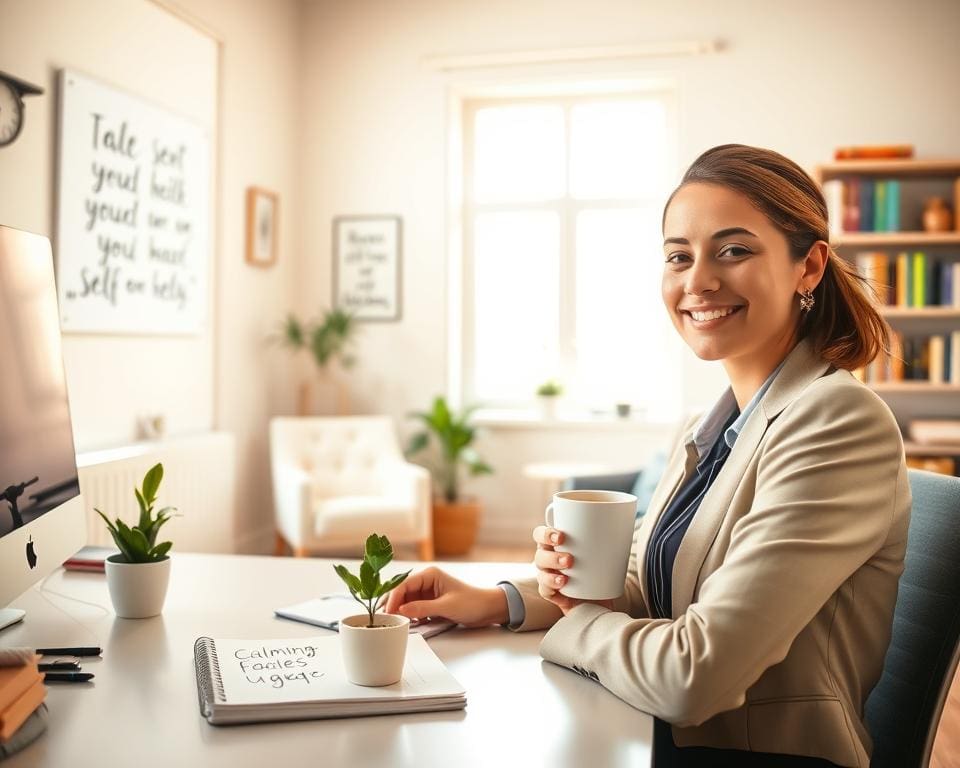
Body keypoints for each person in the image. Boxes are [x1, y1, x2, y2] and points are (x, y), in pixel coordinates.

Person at [385, 144, 910, 768]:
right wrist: (496, 601)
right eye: (678, 257)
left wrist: (574, 623)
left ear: (810, 267)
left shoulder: (837, 422)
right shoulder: (707, 425)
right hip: (650, 731)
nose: (699, 281)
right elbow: (640, 586)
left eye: (735, 250)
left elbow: (693, 676)